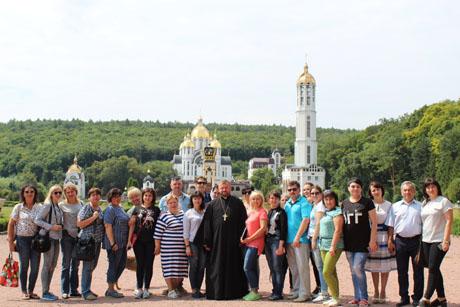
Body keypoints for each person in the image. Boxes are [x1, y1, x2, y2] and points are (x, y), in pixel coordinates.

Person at [203, 180, 248, 300]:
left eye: (226, 188)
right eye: (222, 188)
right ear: (218, 189)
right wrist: (207, 241)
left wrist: (242, 238)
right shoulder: (212, 205)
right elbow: (207, 224)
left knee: (233, 266)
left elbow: (244, 223)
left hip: (234, 242)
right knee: (216, 267)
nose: (224, 190)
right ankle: (216, 292)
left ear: (230, 188)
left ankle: (234, 292)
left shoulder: (238, 203)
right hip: (216, 243)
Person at [386, 181, 423, 307]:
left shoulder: (421, 206)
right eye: (405, 190)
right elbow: (391, 225)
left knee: (418, 271)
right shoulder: (395, 206)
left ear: (414, 191)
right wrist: (390, 240)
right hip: (400, 241)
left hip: (417, 242)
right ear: (401, 192)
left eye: (410, 190)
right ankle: (404, 297)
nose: (407, 192)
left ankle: (417, 298)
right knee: (402, 271)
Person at [342, 178, 378, 307]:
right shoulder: (344, 203)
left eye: (357, 186)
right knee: (353, 270)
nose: (355, 188)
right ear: (348, 188)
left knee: (358, 268)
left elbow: (374, 222)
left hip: (363, 242)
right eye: (352, 186)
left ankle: (364, 297)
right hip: (348, 242)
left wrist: (372, 240)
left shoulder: (367, 203)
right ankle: (357, 297)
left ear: (361, 188)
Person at [419, 178, 453, 307]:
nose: (430, 189)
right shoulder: (425, 203)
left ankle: (425, 298)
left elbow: (449, 221)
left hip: (439, 240)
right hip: (426, 240)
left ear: (437, 187)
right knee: (434, 268)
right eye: (427, 187)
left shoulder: (444, 201)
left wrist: (445, 241)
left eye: (433, 186)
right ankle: (442, 299)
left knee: (432, 268)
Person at [7, 185, 41, 300]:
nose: (29, 193)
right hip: (22, 240)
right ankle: (23, 291)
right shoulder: (18, 207)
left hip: (36, 241)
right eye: (27, 191)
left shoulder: (39, 207)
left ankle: (31, 291)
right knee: (24, 266)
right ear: (23, 194)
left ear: (35, 193)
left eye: (32, 191)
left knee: (35, 267)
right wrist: (11, 242)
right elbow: (11, 224)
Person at [364, 181, 396, 304]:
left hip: (384, 236)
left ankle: (383, 291)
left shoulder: (389, 205)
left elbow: (391, 224)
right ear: (370, 193)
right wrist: (370, 239)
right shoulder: (368, 204)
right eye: (373, 190)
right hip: (372, 236)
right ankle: (376, 291)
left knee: (384, 266)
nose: (376, 191)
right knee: (374, 266)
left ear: (382, 190)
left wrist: (390, 239)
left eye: (378, 189)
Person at [128, 187, 161, 299]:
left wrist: (158, 244)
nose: (147, 197)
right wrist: (129, 241)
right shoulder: (136, 209)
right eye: (146, 195)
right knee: (140, 264)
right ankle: (139, 288)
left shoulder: (156, 210)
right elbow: (132, 225)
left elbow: (159, 227)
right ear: (143, 196)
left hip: (151, 241)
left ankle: (146, 288)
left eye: (150, 196)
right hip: (139, 242)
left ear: (153, 198)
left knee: (149, 265)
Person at [154, 194, 188, 299]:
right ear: (167, 204)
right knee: (169, 269)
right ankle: (171, 290)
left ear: (178, 203)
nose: (173, 204)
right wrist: (157, 246)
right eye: (170, 203)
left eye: (174, 202)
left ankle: (176, 288)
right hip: (168, 249)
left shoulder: (183, 214)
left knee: (180, 270)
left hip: (181, 249)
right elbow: (158, 233)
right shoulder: (163, 216)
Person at [284, 180, 313, 302]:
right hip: (289, 240)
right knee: (294, 267)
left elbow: (305, 220)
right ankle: (296, 290)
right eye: (290, 190)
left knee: (302, 267)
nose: (292, 192)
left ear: (299, 189)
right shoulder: (287, 204)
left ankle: (305, 293)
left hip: (300, 240)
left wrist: (297, 237)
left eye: (294, 189)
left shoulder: (304, 203)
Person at [34, 185, 64, 301]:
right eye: (55, 192)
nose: (57, 195)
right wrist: (51, 227)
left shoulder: (57, 206)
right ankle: (44, 292)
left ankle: (47, 289)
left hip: (56, 239)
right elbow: (37, 219)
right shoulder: (47, 205)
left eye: (59, 193)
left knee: (53, 265)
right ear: (51, 194)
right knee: (47, 265)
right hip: (48, 238)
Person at [77, 187, 105, 300]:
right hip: (88, 241)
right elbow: (80, 224)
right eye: (93, 195)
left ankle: (87, 288)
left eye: (98, 194)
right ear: (89, 197)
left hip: (96, 241)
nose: (96, 196)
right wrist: (93, 218)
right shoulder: (86, 208)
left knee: (93, 266)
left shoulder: (99, 208)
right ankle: (85, 292)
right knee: (88, 267)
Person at [240, 190, 268, 301]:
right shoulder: (251, 212)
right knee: (251, 267)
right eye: (253, 199)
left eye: (257, 198)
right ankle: (254, 290)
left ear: (261, 200)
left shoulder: (262, 212)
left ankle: (254, 291)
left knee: (247, 267)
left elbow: (263, 229)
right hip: (248, 242)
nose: (255, 201)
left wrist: (250, 239)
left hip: (256, 243)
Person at [319, 190, 344, 307]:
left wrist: (333, 246)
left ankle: (335, 298)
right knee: (332, 272)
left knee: (326, 272)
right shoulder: (326, 212)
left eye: (331, 199)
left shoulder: (338, 212)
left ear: (335, 200)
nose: (328, 201)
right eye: (326, 199)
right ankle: (335, 297)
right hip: (323, 245)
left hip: (333, 245)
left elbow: (338, 230)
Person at [103, 188, 129, 298]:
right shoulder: (110, 209)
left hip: (122, 243)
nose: (117, 198)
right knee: (113, 265)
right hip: (114, 243)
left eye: (119, 196)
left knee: (122, 264)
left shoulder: (120, 208)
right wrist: (113, 243)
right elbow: (107, 226)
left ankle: (111, 284)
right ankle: (110, 289)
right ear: (110, 198)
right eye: (115, 196)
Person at [59, 182, 83, 299]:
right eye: (67, 192)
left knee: (75, 264)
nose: (70, 194)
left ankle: (74, 289)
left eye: (72, 191)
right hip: (67, 236)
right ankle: (64, 290)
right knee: (66, 264)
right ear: (65, 194)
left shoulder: (81, 204)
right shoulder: (61, 205)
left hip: (78, 236)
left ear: (75, 192)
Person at [264, 190, 287, 301]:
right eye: (271, 198)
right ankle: (275, 290)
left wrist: (281, 246)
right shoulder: (270, 212)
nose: (273, 200)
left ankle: (278, 292)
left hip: (277, 240)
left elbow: (283, 230)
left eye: (275, 198)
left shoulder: (282, 213)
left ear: (279, 200)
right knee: (272, 268)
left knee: (278, 267)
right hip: (268, 241)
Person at [183, 191, 206, 298]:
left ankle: (198, 288)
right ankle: (194, 289)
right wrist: (187, 246)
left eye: (199, 198)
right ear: (192, 200)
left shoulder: (205, 212)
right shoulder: (188, 213)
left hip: (203, 244)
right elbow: (185, 232)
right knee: (194, 266)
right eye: (195, 198)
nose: (197, 200)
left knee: (202, 266)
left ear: (202, 199)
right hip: (193, 243)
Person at [310, 185, 329, 302]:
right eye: (312, 193)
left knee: (320, 266)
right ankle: (324, 290)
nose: (314, 195)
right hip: (315, 237)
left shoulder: (320, 206)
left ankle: (324, 292)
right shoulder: (315, 205)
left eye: (317, 193)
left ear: (321, 194)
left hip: (317, 238)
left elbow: (318, 224)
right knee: (320, 266)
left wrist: (314, 239)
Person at [303, 181, 321, 296]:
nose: (306, 192)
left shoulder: (316, 203)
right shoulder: (305, 202)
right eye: (304, 190)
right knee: (310, 263)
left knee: (317, 263)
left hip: (315, 236)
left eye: (308, 189)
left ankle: (321, 286)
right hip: (307, 237)